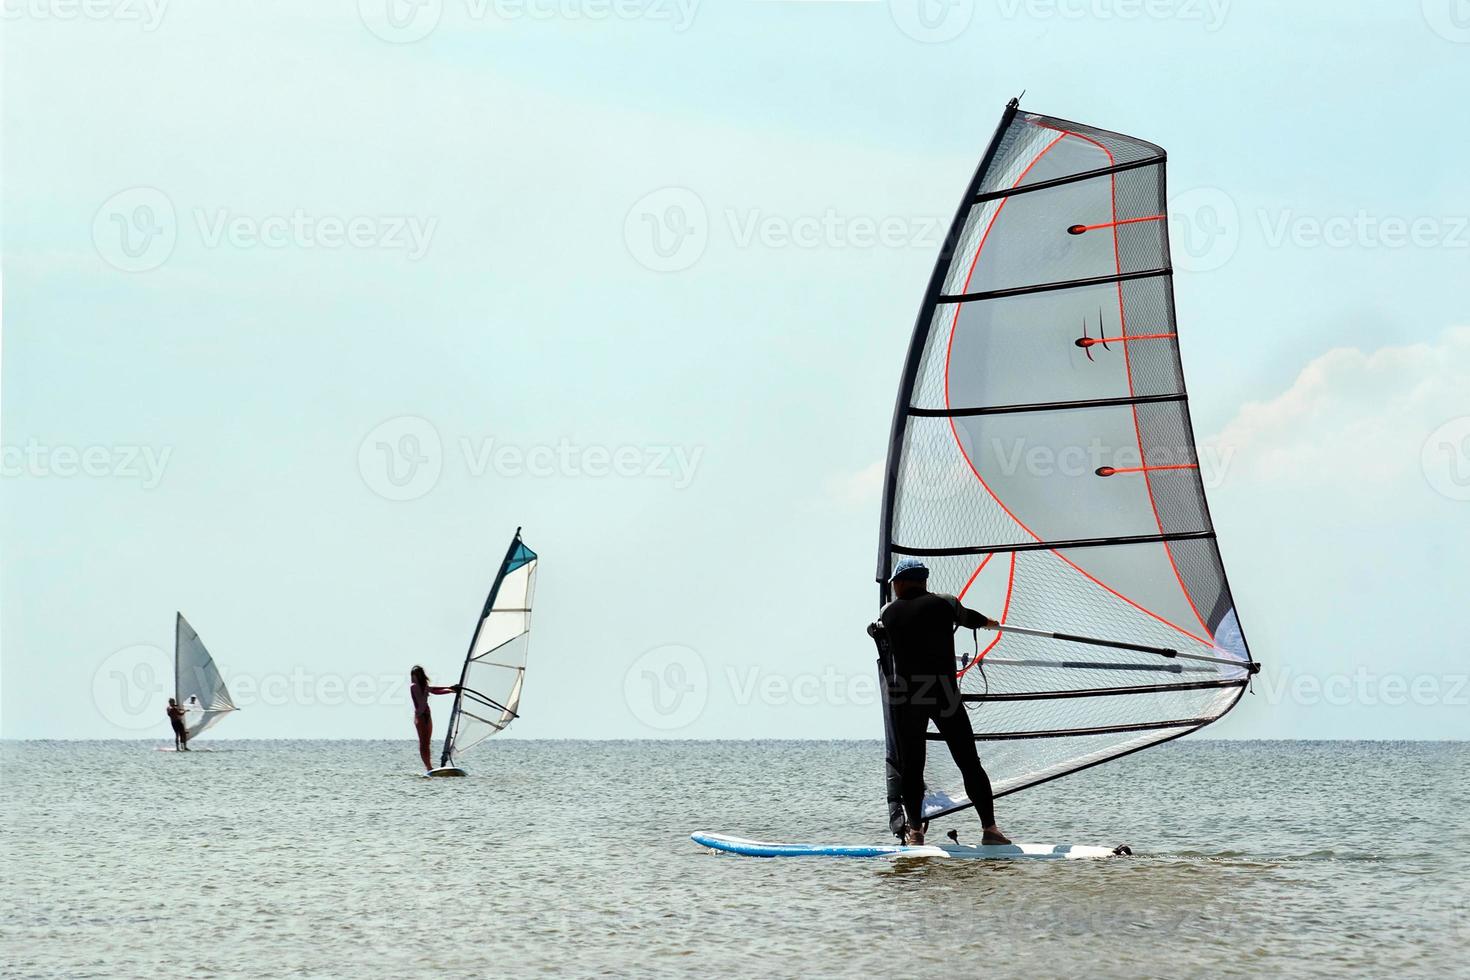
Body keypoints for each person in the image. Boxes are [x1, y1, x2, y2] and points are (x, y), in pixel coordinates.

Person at [880, 557, 1010, 846]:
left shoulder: (887, 612)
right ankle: (990, 830)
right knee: (968, 762)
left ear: (900, 583)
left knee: (913, 767)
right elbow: (969, 618)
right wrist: (990, 623)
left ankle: (915, 833)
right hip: (943, 693)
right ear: (924, 580)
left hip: (909, 697)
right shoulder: (946, 603)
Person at [410, 665, 458, 771]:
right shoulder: (413, 686)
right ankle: (428, 767)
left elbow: (435, 690)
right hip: (420, 716)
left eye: (417, 675)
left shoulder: (424, 685)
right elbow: (424, 697)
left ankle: (429, 766)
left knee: (427, 742)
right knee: (423, 743)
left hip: (427, 715)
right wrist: (428, 690)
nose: (415, 677)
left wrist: (450, 689)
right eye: (414, 675)